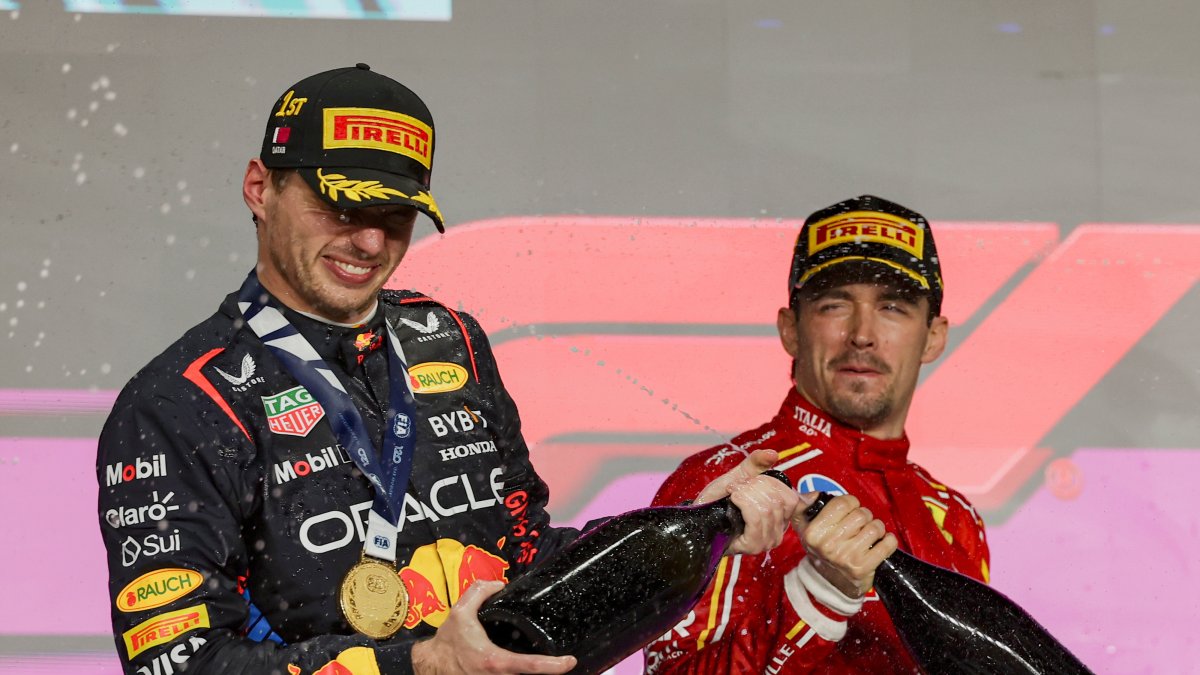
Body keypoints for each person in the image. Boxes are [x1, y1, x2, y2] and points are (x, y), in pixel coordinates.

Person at [96, 64, 799, 675]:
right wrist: (423, 663)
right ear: (259, 187)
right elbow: (181, 660)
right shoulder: (175, 404)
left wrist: (700, 521)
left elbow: (529, 558)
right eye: (341, 204)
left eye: (396, 213)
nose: (369, 240)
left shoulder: (449, 339)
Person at [645, 195, 991, 674]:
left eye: (893, 306)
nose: (862, 334)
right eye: (834, 305)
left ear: (934, 336)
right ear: (791, 329)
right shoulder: (728, 480)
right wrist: (819, 594)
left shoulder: (955, 516)